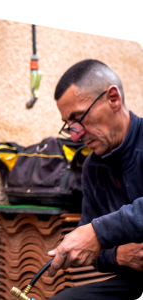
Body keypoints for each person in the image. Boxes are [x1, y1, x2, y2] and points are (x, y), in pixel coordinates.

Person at [47, 59, 143, 300]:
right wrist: (118, 255)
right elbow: (92, 250)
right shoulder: (92, 167)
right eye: (69, 125)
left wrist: (99, 232)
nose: (76, 135)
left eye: (79, 118)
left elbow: (95, 233)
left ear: (113, 98)